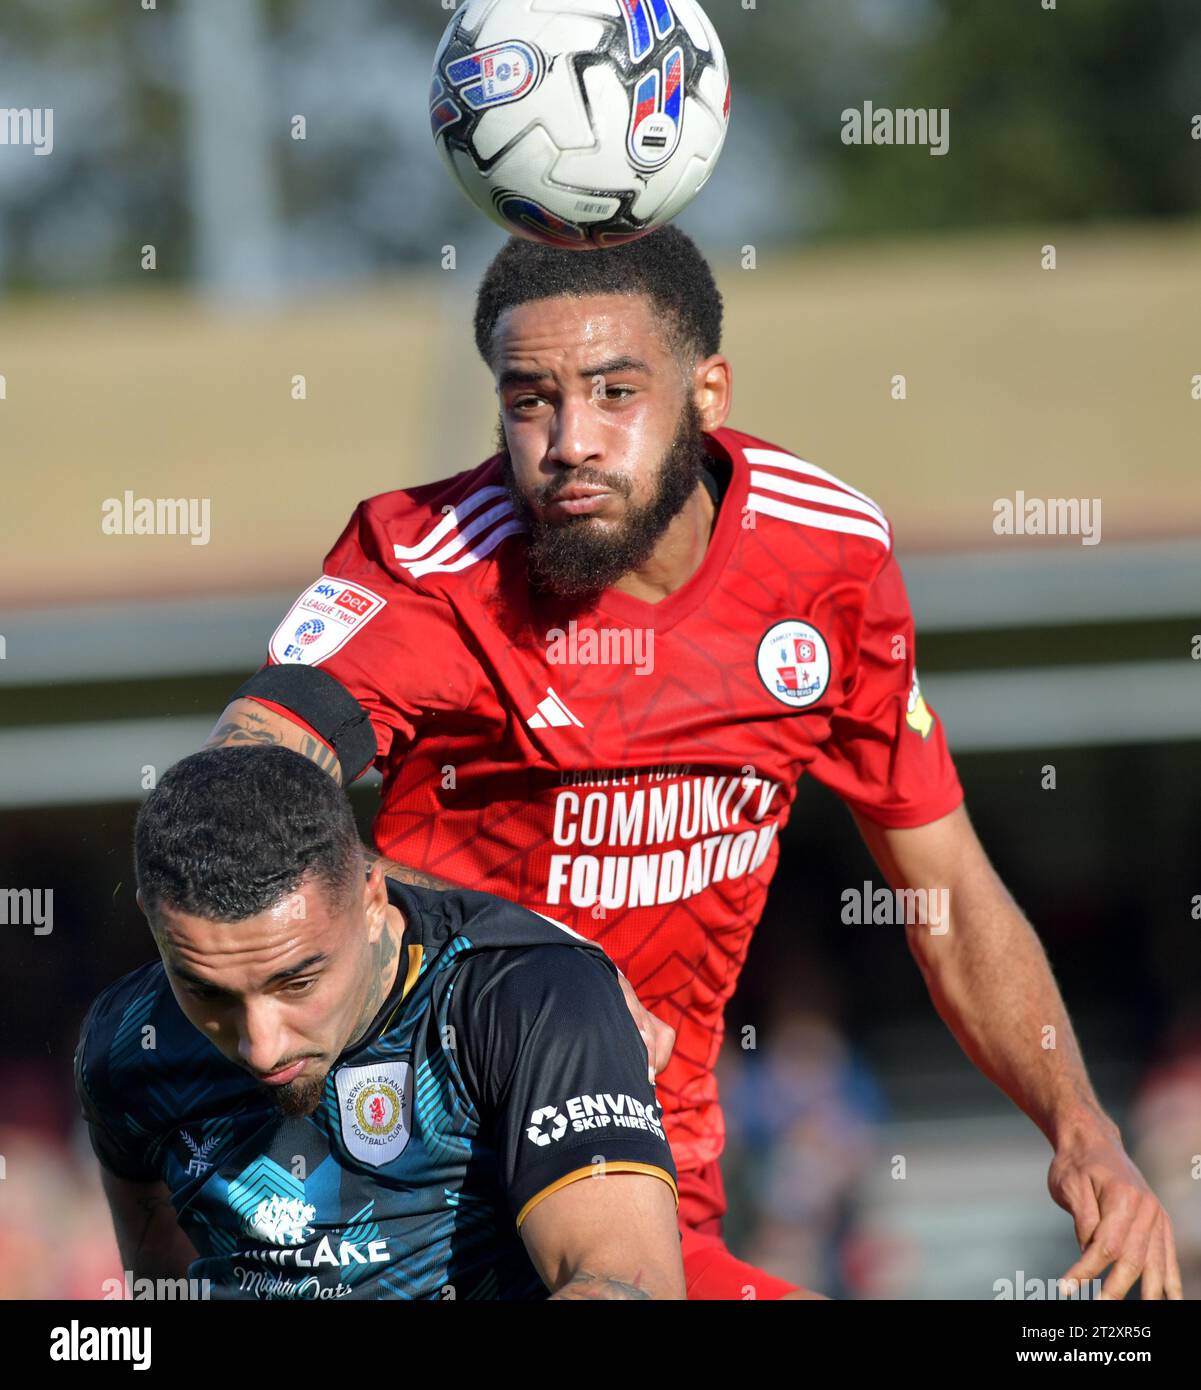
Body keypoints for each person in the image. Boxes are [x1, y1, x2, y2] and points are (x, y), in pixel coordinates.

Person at [205, 227, 1181, 1300]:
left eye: (614, 392)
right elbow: (246, 786)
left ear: (708, 391)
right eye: (529, 400)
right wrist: (548, 968)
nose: (569, 440)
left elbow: (943, 882)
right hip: (420, 1192)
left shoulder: (827, 558)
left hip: (660, 1178)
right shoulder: (430, 563)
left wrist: (1080, 1124)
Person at [74, 746, 683, 1300]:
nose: (261, 1047)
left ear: (372, 900)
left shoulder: (523, 997)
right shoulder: (129, 1043)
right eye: (208, 992)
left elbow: (626, 1284)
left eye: (298, 982)